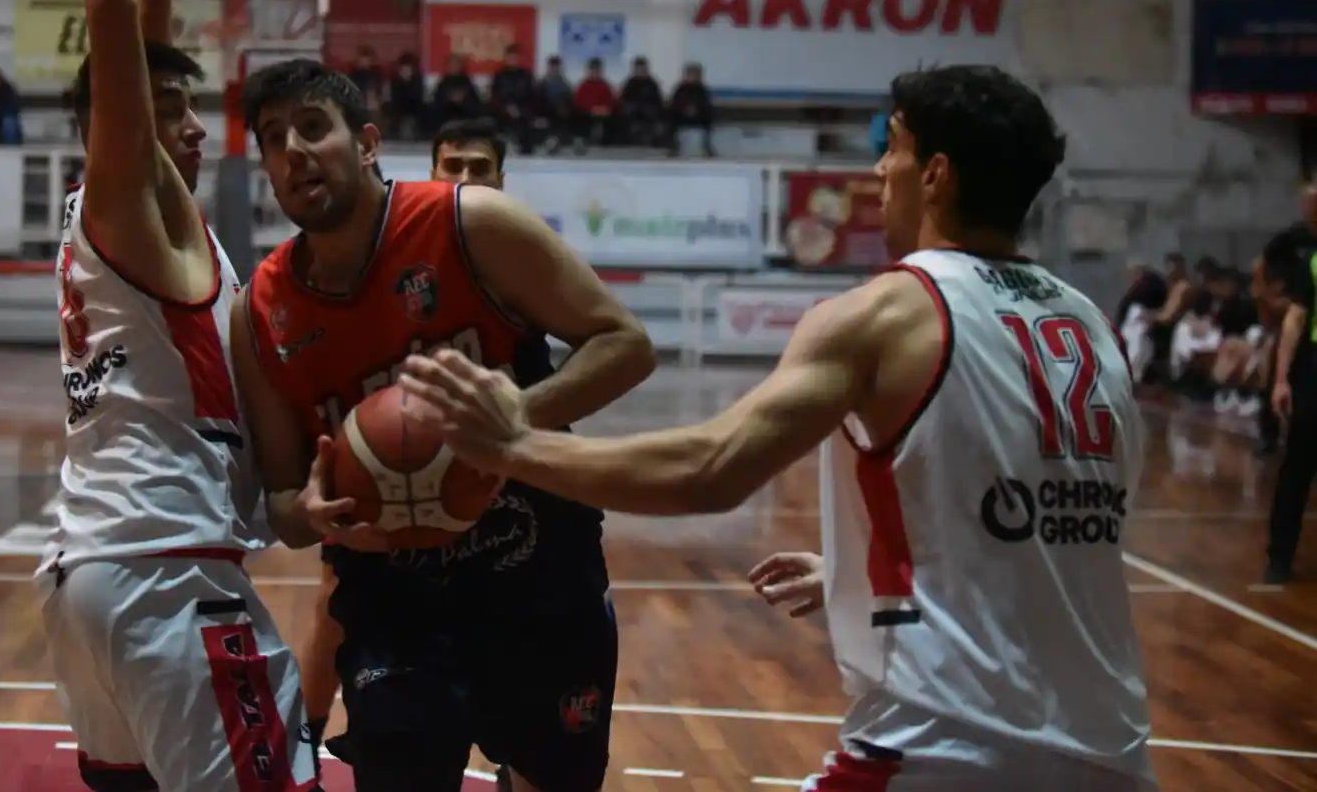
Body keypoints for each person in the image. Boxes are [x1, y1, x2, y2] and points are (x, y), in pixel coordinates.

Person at [401, 65, 1158, 791]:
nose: (878, 170)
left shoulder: (887, 312)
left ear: (935, 174)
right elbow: (1051, 520)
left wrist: (513, 445)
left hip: (945, 750)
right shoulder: (1090, 324)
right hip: (1113, 752)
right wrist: (855, 574)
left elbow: (708, 470)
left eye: (893, 147)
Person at [228, 59, 657, 792]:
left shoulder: (470, 223)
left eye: (313, 127)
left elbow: (626, 344)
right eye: (274, 138)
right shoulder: (260, 312)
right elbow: (285, 504)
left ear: (367, 143)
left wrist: (508, 421)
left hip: (538, 567)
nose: (294, 149)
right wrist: (313, 511)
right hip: (394, 596)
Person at [37, 0, 314, 792]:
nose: (196, 126)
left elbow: (134, 33)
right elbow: (110, 11)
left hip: (93, 570)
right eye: (171, 110)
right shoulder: (129, 204)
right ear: (119, 128)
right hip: (165, 570)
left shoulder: (120, 221)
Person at [293, 116, 513, 786]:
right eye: (454, 166)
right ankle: (302, 737)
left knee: (507, 620)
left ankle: (511, 744)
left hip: (489, 477)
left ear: (502, 180)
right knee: (336, 592)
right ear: (431, 172)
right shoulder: (399, 250)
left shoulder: (514, 256)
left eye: (480, 168)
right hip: (389, 462)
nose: (466, 179)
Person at [1265, 218, 1317, 583]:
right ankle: (1279, 557)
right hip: (1313, 371)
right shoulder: (1312, 261)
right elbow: (1295, 319)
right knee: (1298, 467)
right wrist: (1282, 379)